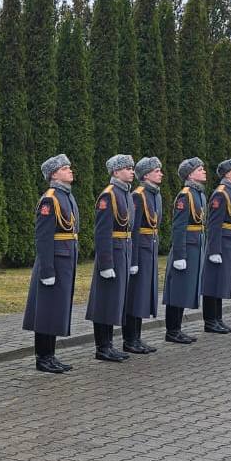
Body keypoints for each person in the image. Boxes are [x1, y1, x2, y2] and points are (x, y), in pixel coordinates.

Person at [23, 154, 79, 373]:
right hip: (53, 262)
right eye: (65, 168)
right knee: (46, 311)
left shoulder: (66, 196)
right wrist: (47, 270)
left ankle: (51, 355)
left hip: (65, 260)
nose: (70, 170)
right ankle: (43, 357)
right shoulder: (50, 199)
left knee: (56, 309)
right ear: (54, 174)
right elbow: (43, 238)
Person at [85, 154, 135, 362]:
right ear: (116, 172)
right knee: (105, 301)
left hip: (123, 251)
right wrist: (105, 263)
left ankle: (109, 345)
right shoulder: (109, 195)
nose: (132, 171)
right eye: (127, 168)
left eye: (132, 168)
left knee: (115, 300)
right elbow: (102, 232)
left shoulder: (125, 193)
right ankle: (102, 347)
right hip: (112, 254)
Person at [163, 157, 207, 344]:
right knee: (178, 289)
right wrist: (179, 255)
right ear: (189, 175)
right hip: (186, 248)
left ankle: (177, 329)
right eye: (199, 169)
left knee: (185, 289)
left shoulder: (199, 194)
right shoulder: (185, 195)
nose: (204, 171)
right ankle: (172, 331)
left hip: (195, 245)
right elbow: (178, 227)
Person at [122, 156, 163, 354]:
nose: (161, 174)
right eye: (157, 171)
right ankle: (130, 339)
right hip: (140, 251)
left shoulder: (155, 194)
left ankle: (137, 338)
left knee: (143, 295)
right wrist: (134, 260)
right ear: (146, 175)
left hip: (150, 249)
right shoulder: (138, 196)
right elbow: (135, 229)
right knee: (135, 296)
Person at [202, 159, 231, 334]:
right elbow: (214, 224)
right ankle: (210, 321)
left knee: (221, 281)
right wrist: (214, 250)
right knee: (213, 282)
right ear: (227, 173)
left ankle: (217, 318)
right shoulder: (221, 193)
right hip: (221, 243)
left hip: (230, 242)